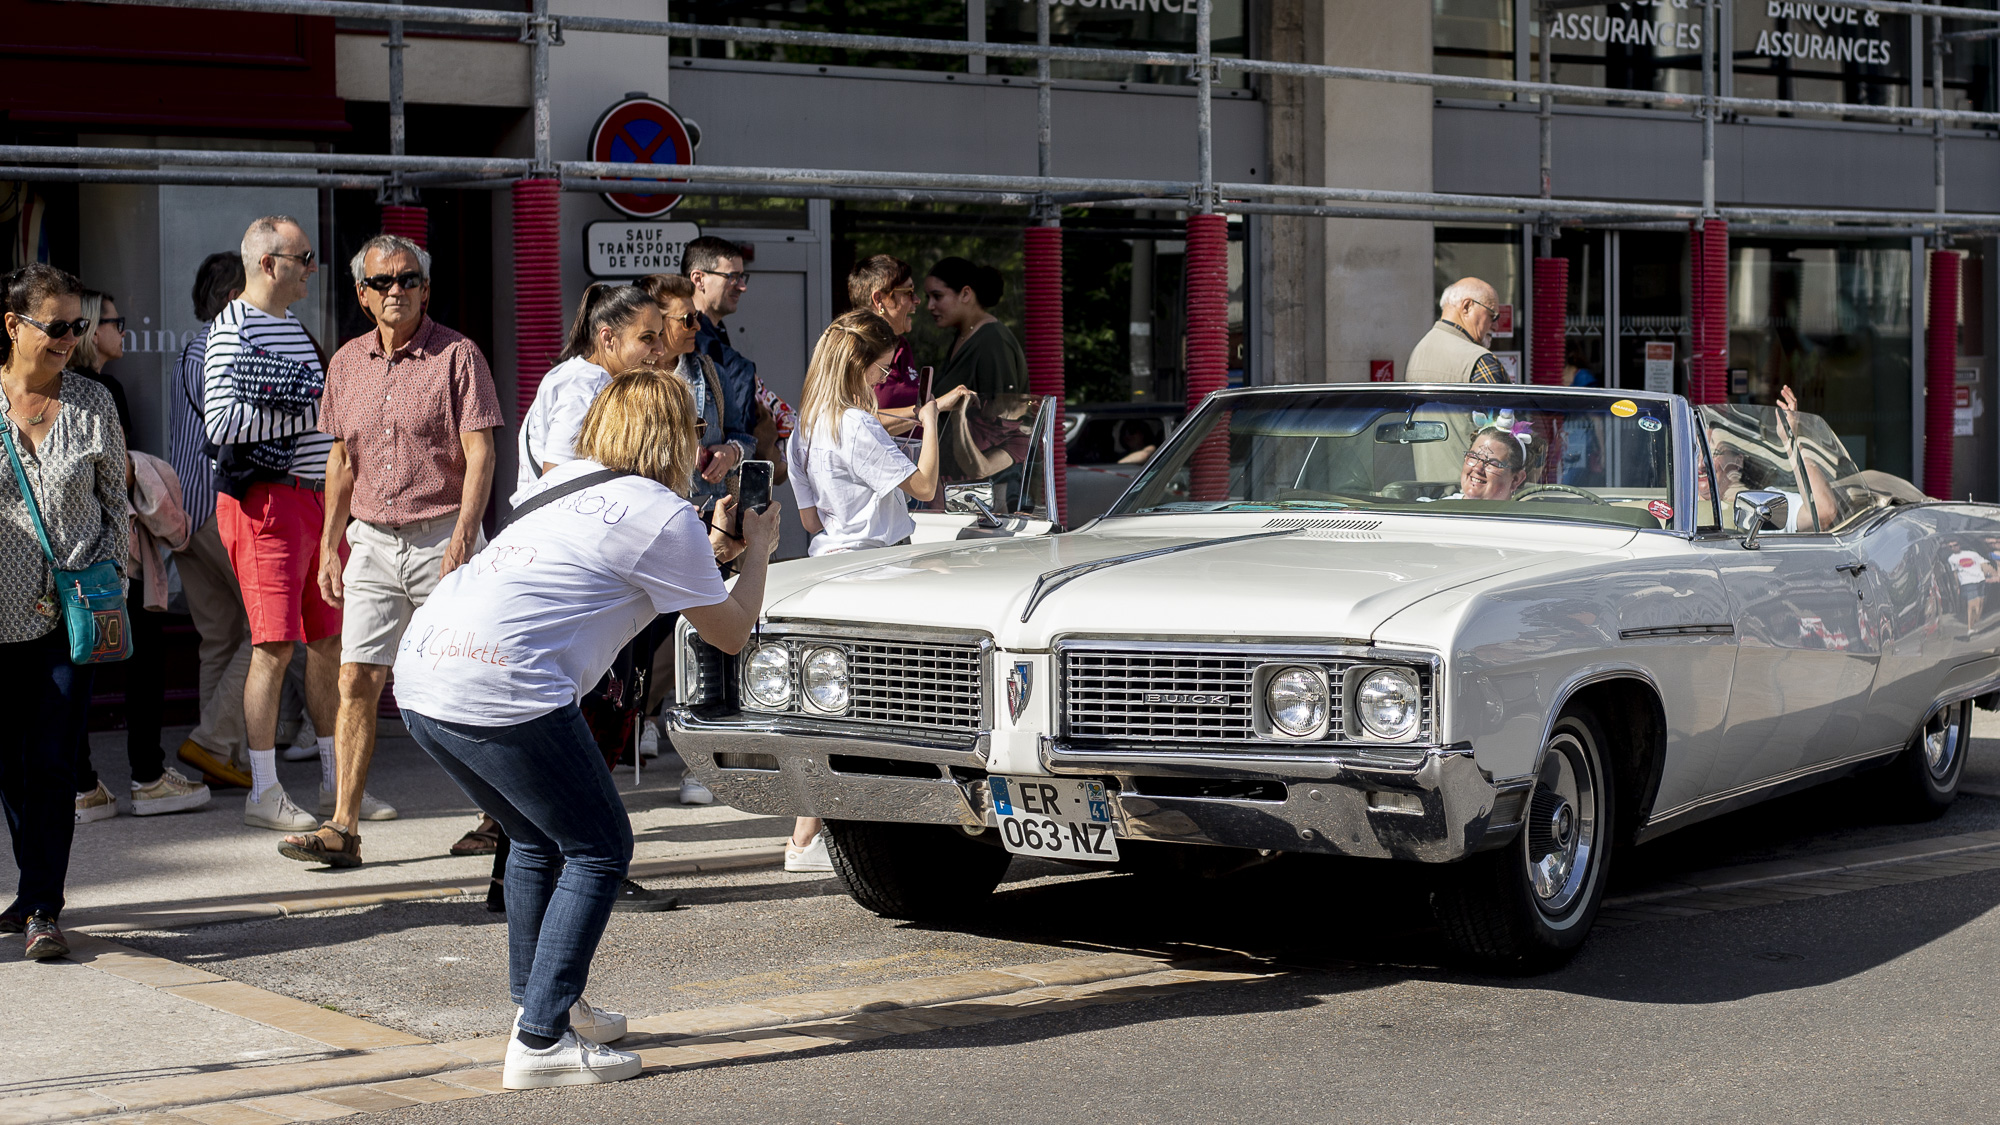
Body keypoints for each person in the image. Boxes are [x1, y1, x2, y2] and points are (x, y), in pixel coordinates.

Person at [392, 369, 780, 1090]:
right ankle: (540, 1042)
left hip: (421, 676)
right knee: (601, 846)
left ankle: (543, 1004)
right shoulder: (661, 511)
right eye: (695, 430)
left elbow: (626, 569)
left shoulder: (561, 484)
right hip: (505, 686)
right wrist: (757, 550)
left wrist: (712, 549)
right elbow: (729, 633)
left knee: (537, 837)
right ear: (676, 436)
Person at [274, 235, 504, 869]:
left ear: (425, 289)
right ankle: (343, 826)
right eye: (383, 283)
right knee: (356, 679)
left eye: (408, 280)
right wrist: (328, 547)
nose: (396, 291)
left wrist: (463, 536)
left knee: (467, 679)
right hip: (370, 541)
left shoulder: (458, 355)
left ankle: (498, 815)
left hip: (441, 536)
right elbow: (341, 459)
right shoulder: (346, 362)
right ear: (361, 294)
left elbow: (481, 452)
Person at [783, 310, 970, 870]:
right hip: (877, 572)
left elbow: (812, 522)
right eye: (881, 369)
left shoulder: (805, 427)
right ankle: (825, 838)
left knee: (829, 712)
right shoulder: (855, 424)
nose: (883, 378)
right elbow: (925, 485)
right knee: (887, 709)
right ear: (859, 365)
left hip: (827, 565)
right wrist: (931, 420)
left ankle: (805, 839)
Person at [0, 263, 129, 960]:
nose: (70, 339)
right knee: (9, 766)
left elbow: (118, 504)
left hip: (68, 618)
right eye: (57, 327)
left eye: (78, 326)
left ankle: (44, 905)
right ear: (13, 324)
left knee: (53, 761)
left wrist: (103, 574)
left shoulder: (94, 401)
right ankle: (29, 887)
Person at [204, 214, 338, 834]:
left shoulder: (289, 328)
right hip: (265, 504)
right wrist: (311, 413)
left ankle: (340, 780)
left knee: (329, 643)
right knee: (274, 647)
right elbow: (221, 426)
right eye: (303, 257)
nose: (312, 268)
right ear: (268, 264)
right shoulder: (230, 331)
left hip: (308, 502)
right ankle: (264, 790)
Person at [66, 289, 211, 821]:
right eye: (113, 321)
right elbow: (119, 473)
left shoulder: (52, 390)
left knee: (77, 664)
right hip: (117, 551)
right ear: (87, 330)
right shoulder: (105, 391)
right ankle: (148, 777)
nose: (121, 330)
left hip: (69, 552)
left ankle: (81, 785)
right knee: (142, 660)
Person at [168, 253, 255, 792]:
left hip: (185, 509)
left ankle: (221, 756)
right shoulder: (221, 348)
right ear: (231, 298)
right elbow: (234, 428)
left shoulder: (191, 347)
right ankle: (216, 739)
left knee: (219, 638)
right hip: (220, 507)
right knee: (271, 631)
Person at [513, 284, 664, 506]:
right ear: (608, 338)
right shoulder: (586, 388)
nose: (660, 349)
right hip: (559, 532)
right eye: (647, 338)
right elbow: (556, 484)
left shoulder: (583, 377)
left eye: (660, 335)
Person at [924, 257, 1029, 509]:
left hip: (979, 491)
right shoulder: (964, 336)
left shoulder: (992, 340)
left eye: (937, 296)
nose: (929, 306)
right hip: (955, 483)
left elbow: (1002, 425)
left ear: (966, 293)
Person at [684, 236, 758, 489]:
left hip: (716, 495)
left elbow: (736, 431)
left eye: (742, 277)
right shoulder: (700, 347)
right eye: (731, 277)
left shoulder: (718, 336)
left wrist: (735, 451)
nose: (741, 286)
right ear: (698, 279)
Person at [848, 255, 925, 439]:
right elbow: (855, 425)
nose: (917, 300)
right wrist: (930, 409)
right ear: (879, 299)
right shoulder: (851, 349)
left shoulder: (902, 346)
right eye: (908, 292)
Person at [1406, 278, 1508, 384]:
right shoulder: (1480, 361)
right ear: (1467, 307)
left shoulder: (1417, 353)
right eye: (1493, 316)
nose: (1496, 326)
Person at [1452, 428, 1529, 501]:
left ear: (1516, 479)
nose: (1477, 468)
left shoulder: (1526, 514)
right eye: (1473, 457)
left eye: (1493, 463)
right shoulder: (1441, 509)